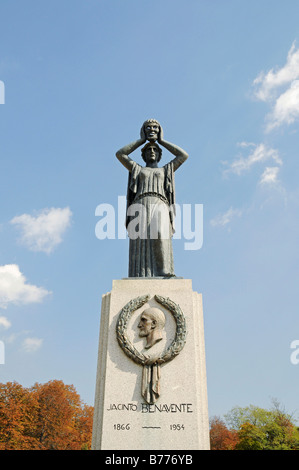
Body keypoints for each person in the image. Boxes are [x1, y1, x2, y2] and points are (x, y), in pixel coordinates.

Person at [116, 119, 188, 277]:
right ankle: (139, 272)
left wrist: (161, 140)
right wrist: (142, 140)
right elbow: (120, 154)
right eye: (148, 150)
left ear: (160, 154)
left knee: (161, 235)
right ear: (143, 154)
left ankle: (164, 270)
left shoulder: (166, 169)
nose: (152, 152)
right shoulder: (137, 169)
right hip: (140, 204)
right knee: (141, 239)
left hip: (160, 203)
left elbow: (183, 155)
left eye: (155, 150)